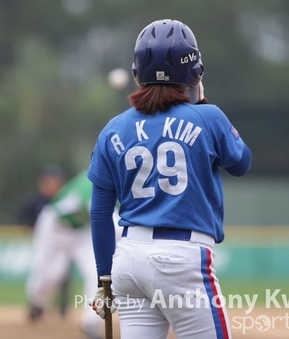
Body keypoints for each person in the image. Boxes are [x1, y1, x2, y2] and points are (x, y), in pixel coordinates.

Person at [87, 19, 252, 339]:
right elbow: (241, 164)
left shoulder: (113, 128)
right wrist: (202, 105)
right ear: (194, 72)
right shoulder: (208, 117)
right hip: (181, 257)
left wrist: (104, 278)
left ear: (137, 72)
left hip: (128, 261)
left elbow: (100, 212)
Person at [26, 170, 116, 339]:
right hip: (54, 226)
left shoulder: (118, 184)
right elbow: (104, 215)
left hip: (80, 232)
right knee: (51, 275)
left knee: (96, 272)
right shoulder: (92, 180)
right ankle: (37, 301)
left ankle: (90, 323)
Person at [16, 164, 72, 319]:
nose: (52, 185)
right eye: (49, 181)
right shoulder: (36, 201)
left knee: (62, 273)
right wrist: (31, 229)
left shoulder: (66, 199)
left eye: (55, 181)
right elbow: (21, 216)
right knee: (41, 272)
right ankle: (37, 303)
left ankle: (62, 306)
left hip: (66, 243)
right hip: (45, 243)